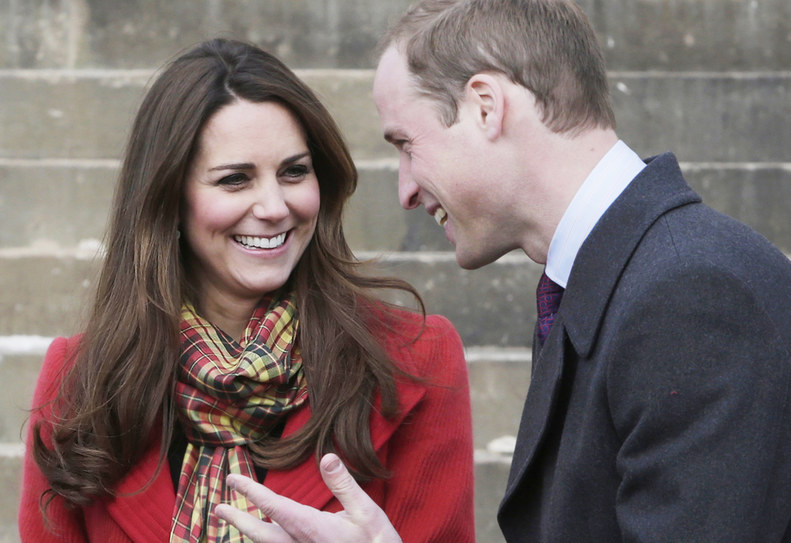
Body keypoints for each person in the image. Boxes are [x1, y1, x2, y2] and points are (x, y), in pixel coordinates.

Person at [214, 0, 791, 541]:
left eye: (406, 144)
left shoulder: (690, 293)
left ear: (485, 106)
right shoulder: (618, 280)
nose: (406, 189)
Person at [18, 38, 476, 542]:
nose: (275, 206)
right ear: (169, 199)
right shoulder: (80, 381)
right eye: (235, 179)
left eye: (294, 172)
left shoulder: (418, 359)